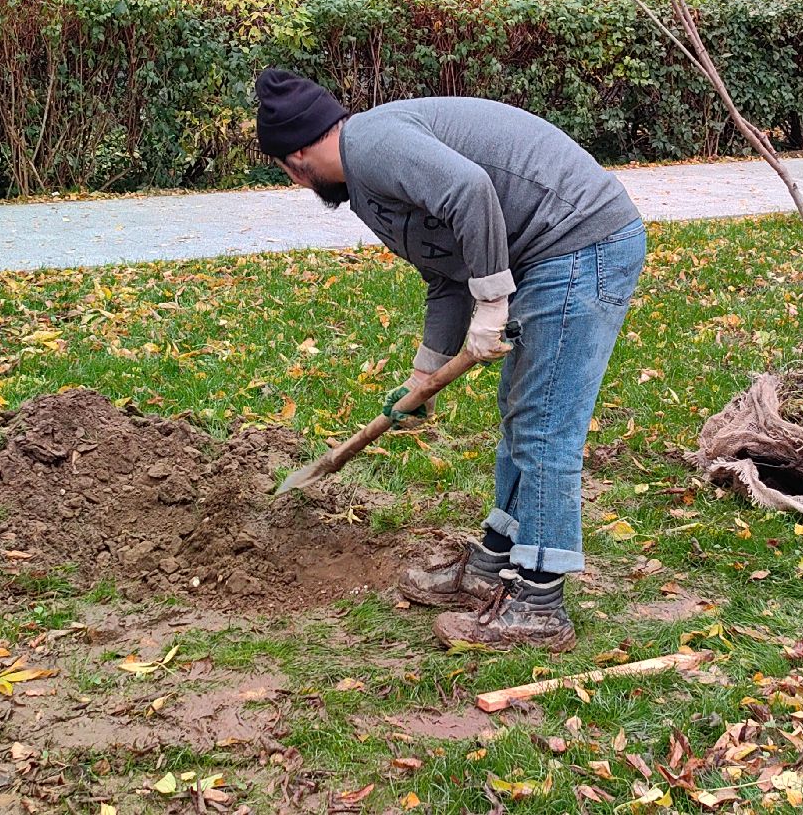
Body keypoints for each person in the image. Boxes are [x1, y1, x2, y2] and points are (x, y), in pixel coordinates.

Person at [254, 68, 646, 651]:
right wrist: (424, 372)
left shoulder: (376, 144)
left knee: (544, 425)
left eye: (285, 169)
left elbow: (471, 192)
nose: (293, 180)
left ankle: (540, 603)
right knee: (521, 414)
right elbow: (445, 273)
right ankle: (494, 562)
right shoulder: (366, 187)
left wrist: (492, 304)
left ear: (298, 154)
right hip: (546, 257)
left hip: (580, 243)